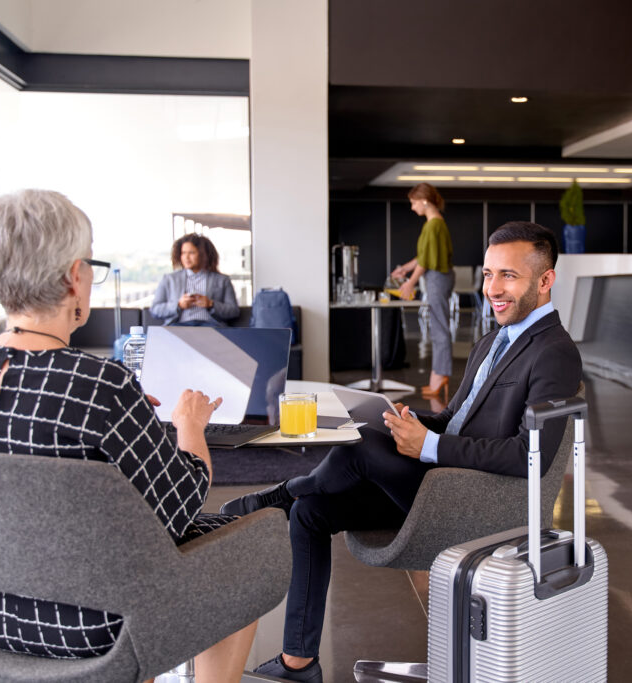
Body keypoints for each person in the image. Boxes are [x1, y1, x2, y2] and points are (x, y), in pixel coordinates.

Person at [221, 221, 581, 682]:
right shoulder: (494, 340)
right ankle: (298, 662)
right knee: (312, 511)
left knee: (361, 446)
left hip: (481, 498)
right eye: (489, 274)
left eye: (508, 276)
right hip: (440, 484)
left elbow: (531, 456)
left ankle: (282, 494)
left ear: (546, 280)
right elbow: (455, 418)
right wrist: (406, 420)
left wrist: (429, 444)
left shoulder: (554, 351)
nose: (493, 288)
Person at [0, 190, 256, 683]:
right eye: (90, 264)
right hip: (98, 627)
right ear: (73, 276)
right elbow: (183, 501)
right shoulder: (101, 384)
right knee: (245, 551)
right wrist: (189, 424)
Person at [391, 182, 455, 398]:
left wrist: (410, 282)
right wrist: (405, 269)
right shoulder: (435, 223)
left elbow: (426, 261)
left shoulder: (433, 225)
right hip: (439, 277)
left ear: (424, 200)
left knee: (439, 327)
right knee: (437, 326)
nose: (412, 207)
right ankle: (438, 374)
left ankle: (440, 375)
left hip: (437, 278)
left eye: (414, 202)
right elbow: (423, 256)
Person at [151, 233, 239, 326]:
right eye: (183, 253)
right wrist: (178, 305)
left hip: (211, 326)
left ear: (203, 255)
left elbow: (234, 311)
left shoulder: (222, 280)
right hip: (178, 326)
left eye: (191, 253)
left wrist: (211, 304)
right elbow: (155, 310)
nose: (186, 257)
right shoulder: (169, 279)